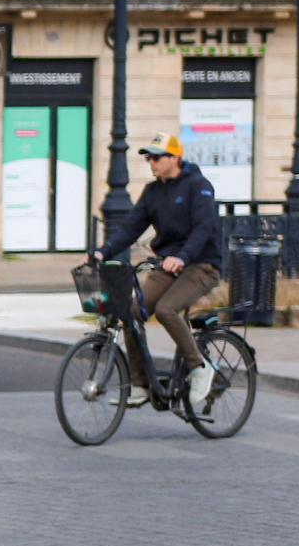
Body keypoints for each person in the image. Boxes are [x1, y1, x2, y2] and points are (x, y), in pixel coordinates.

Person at [89, 132, 224, 408]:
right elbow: (131, 227)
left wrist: (183, 256)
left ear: (174, 158)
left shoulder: (198, 186)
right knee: (133, 313)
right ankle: (140, 385)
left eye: (156, 157)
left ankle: (199, 368)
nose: (151, 162)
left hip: (201, 264)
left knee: (165, 309)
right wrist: (102, 252)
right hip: (168, 265)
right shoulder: (153, 192)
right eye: (149, 157)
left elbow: (204, 228)